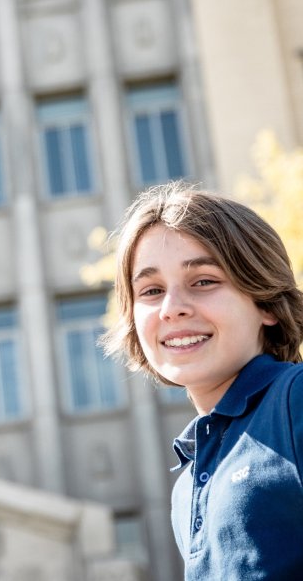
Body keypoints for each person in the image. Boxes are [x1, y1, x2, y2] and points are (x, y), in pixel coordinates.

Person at [102, 181, 303, 581]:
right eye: (152, 290)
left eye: (204, 281)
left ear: (265, 303)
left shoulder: (294, 399)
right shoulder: (188, 482)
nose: (172, 309)